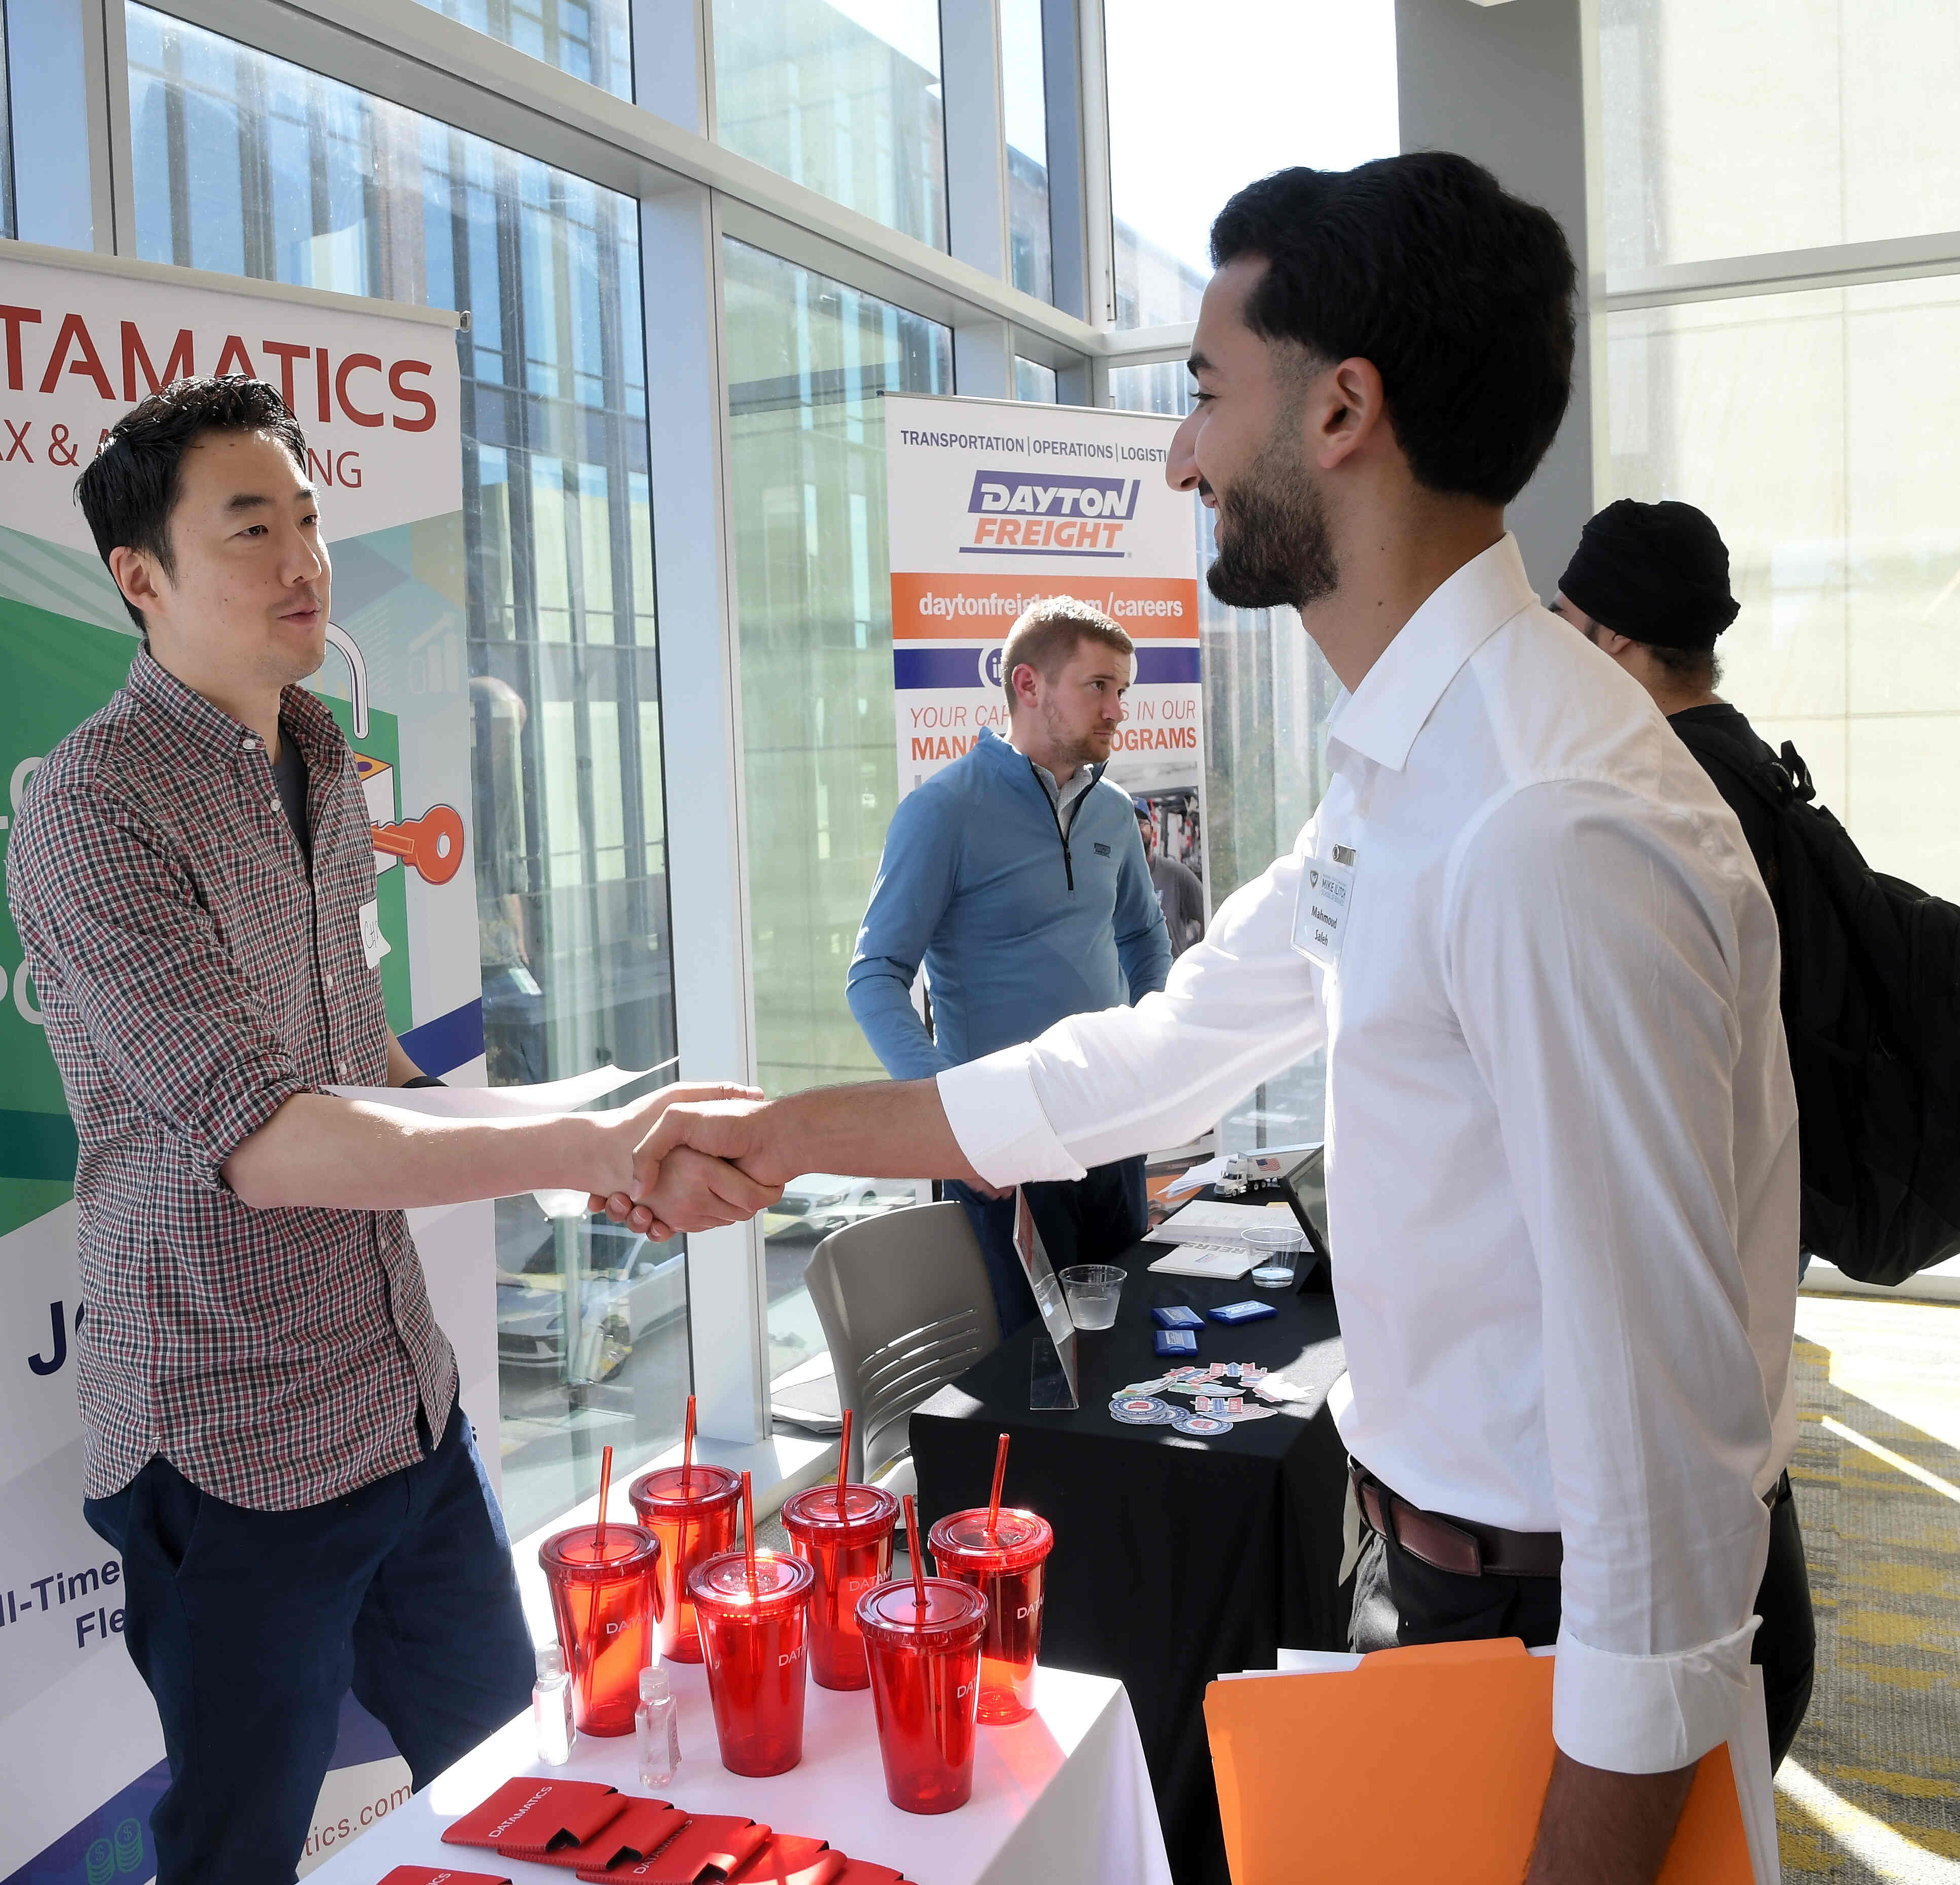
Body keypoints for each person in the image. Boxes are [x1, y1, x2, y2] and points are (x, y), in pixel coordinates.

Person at [612, 155, 1814, 1883]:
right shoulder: (1410, 769)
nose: (1175, 450)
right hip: (1462, 1581)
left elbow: (1664, 1476)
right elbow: (1147, 1055)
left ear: (1339, 410)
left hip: (1582, 1643)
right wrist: (785, 1135)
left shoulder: (1542, 825)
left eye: (1198, 390)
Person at [6, 376, 775, 1885]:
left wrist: (602, 1118)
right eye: (251, 528)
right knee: (238, 1844)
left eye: (307, 518)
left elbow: (361, 1077)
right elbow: (274, 1140)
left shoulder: (311, 752)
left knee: (510, 1780)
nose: (303, 560)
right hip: (227, 1444)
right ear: (139, 577)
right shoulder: (96, 806)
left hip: (400, 1402)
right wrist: (589, 1147)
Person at [846, 599, 1172, 1334]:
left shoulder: (1114, 812)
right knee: (1032, 1377)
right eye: (1099, 687)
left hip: (1110, 1125)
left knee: (1123, 1350)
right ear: (1029, 686)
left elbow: (1146, 940)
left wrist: (1153, 1048)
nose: (1118, 709)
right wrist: (947, 1121)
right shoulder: (943, 811)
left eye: (1124, 691)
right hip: (1003, 1145)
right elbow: (874, 977)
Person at [1548, 499, 1783, 890]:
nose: (1552, 642)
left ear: (1616, 634)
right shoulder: (1744, 756)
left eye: (1561, 621)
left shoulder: (1659, 789)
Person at [1137, 801, 1209, 955]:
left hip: (1169, 976)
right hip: (1127, 976)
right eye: (1129, 823)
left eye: (1141, 823)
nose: (1135, 829)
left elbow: (1210, 915)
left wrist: (1202, 959)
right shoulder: (1112, 878)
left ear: (1152, 829)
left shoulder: (1176, 874)